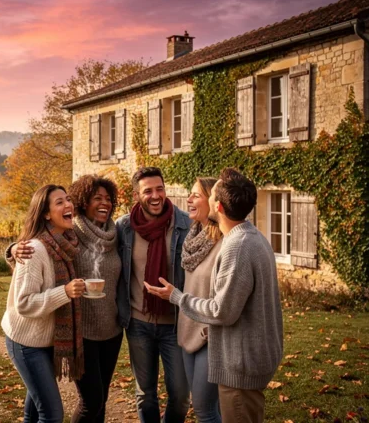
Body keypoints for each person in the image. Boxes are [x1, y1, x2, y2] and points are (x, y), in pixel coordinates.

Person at [146, 168, 283, 423]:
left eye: (205, 196)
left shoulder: (236, 246)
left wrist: (177, 297)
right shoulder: (252, 237)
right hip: (247, 359)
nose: (194, 199)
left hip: (241, 363)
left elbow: (222, 311)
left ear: (217, 205)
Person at [9, 175, 123, 422]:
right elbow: (25, 295)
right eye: (59, 202)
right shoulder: (51, 243)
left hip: (78, 333)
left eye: (67, 200)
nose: (104, 203)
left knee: (38, 410)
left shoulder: (71, 239)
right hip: (39, 337)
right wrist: (13, 249)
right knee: (58, 411)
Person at [1, 184, 87, 423]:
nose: (68, 205)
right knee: (52, 415)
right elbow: (24, 304)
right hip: (26, 342)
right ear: (46, 214)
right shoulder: (36, 249)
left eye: (68, 199)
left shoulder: (66, 242)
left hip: (45, 341)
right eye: (59, 202)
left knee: (34, 413)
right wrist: (65, 292)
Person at [116, 167, 191, 423]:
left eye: (160, 189)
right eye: (148, 191)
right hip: (138, 323)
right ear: (137, 195)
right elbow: (87, 240)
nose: (156, 195)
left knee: (181, 395)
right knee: (145, 394)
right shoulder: (124, 227)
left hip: (175, 324)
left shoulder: (185, 224)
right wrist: (15, 248)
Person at [178, 177, 223, 423]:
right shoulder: (191, 239)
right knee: (202, 406)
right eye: (190, 194)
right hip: (188, 329)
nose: (189, 199)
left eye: (196, 195)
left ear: (214, 202)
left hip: (211, 333)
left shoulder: (225, 243)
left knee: (205, 408)